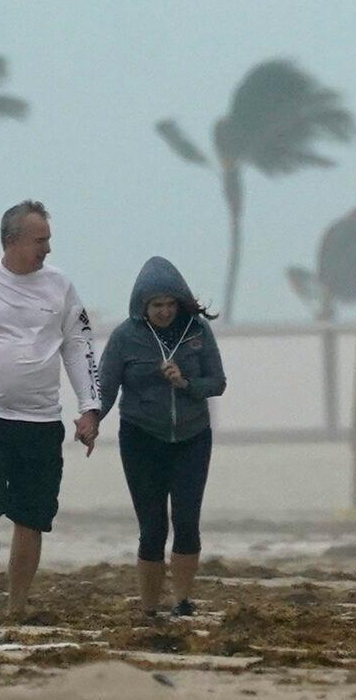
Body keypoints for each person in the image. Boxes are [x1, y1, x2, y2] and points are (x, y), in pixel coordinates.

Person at [0, 199, 101, 616]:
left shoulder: (61, 286)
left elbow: (79, 345)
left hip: (42, 419)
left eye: (48, 240)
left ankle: (17, 604)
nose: (47, 248)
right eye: (40, 240)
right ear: (12, 241)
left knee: (32, 514)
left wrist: (90, 408)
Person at [93, 256, 226, 618]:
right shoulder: (125, 337)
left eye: (170, 304)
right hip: (141, 438)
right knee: (152, 527)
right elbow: (106, 388)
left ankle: (182, 600)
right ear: (142, 306)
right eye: (156, 305)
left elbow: (218, 382)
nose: (165, 312)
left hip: (192, 437)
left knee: (186, 521)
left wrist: (185, 383)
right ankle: (149, 608)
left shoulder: (197, 332)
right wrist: (92, 420)